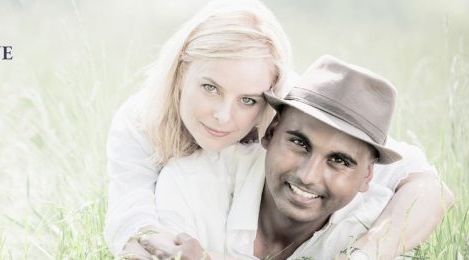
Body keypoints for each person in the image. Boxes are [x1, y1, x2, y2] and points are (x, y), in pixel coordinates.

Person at [105, 1, 453, 258]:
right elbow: (131, 212)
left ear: (271, 101)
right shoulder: (141, 122)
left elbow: (426, 184)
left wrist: (370, 250)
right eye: (210, 88)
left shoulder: (297, 112)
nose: (223, 118)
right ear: (182, 71)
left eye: (248, 100)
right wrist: (150, 239)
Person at [140, 55, 448, 259]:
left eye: (339, 161)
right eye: (299, 143)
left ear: (368, 175)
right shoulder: (192, 184)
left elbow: (434, 189)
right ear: (271, 132)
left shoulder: (372, 226)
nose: (309, 175)